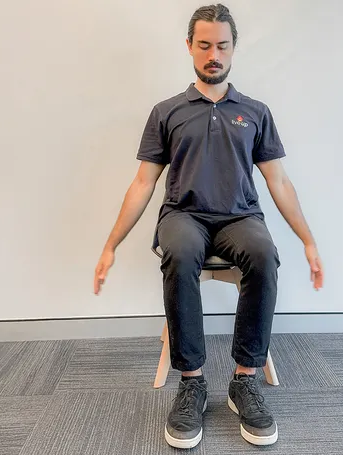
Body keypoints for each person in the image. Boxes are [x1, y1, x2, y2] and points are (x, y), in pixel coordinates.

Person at [93, 3, 323, 449]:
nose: (213, 54)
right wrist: (110, 245)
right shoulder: (167, 111)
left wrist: (309, 241)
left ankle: (244, 380)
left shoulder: (255, 111)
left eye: (222, 45)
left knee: (262, 254)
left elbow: (278, 180)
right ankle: (192, 382)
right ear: (189, 47)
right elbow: (143, 183)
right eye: (204, 45)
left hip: (240, 216)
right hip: (184, 215)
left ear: (234, 48)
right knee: (178, 252)